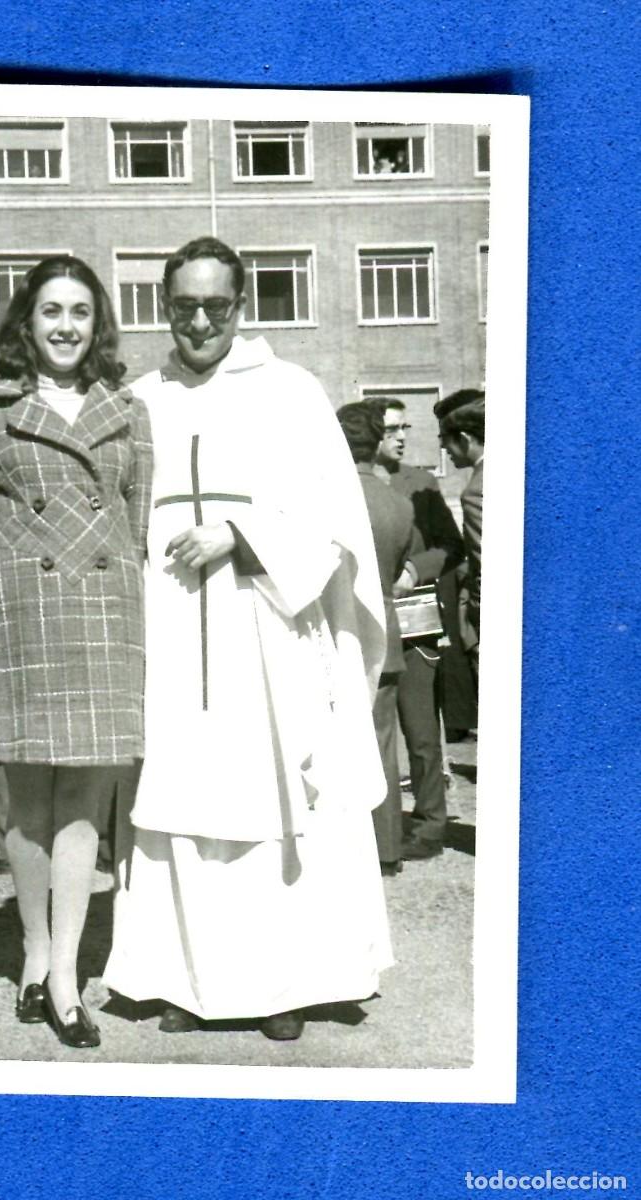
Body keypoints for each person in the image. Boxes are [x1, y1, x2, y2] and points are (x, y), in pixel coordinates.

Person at [103, 237, 391, 1041]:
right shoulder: (138, 401)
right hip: (169, 632)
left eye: (215, 306)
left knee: (272, 803)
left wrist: (239, 534)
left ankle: (282, 988)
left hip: (267, 633)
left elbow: (333, 518)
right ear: (164, 306)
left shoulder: (291, 393)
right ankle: (181, 981)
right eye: (184, 306)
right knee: (176, 803)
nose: (199, 322)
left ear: (241, 305)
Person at [0, 255, 152, 1048]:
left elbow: (136, 528)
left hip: (101, 619)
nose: (65, 326)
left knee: (84, 807)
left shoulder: (128, 411)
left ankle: (64, 975)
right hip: (17, 621)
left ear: (98, 326)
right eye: (51, 310)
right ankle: (34, 950)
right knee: (25, 807)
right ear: (26, 323)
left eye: (80, 312)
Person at [367, 398, 467, 861]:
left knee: (423, 734)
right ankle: (379, 831)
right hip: (367, 624)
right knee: (375, 735)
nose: (402, 437)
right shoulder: (348, 481)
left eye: (405, 427)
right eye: (391, 429)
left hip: (416, 626)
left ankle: (429, 828)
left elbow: (452, 546)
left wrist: (414, 569)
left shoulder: (421, 483)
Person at [337, 402, 415, 876]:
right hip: (385, 634)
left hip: (337, 631)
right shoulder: (399, 504)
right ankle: (387, 848)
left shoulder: (329, 499)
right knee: (383, 745)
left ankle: (345, 848)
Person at [435, 390, 484, 688]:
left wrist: (474, 620)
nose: (443, 447)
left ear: (465, 438)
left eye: (445, 438)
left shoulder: (475, 492)